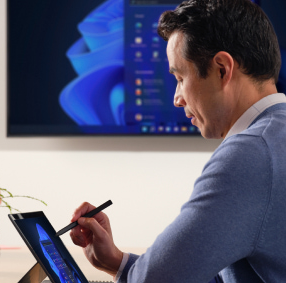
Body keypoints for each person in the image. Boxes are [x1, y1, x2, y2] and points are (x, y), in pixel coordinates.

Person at [69, 0, 286, 282]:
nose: (177, 98)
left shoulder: (250, 154)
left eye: (180, 77)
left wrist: (134, 273)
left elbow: (157, 280)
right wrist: (118, 263)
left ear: (222, 69)